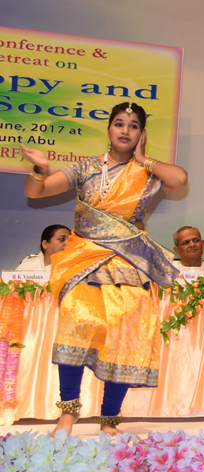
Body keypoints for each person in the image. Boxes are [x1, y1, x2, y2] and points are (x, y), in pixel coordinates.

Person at [19, 101, 188, 435]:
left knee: (125, 331)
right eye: (119, 123)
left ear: (141, 134)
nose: (125, 130)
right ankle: (68, 413)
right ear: (109, 128)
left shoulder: (147, 172)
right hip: (83, 259)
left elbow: (179, 179)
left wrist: (144, 160)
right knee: (77, 322)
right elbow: (36, 191)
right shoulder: (85, 167)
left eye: (133, 125)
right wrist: (40, 168)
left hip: (129, 261)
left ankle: (109, 419)